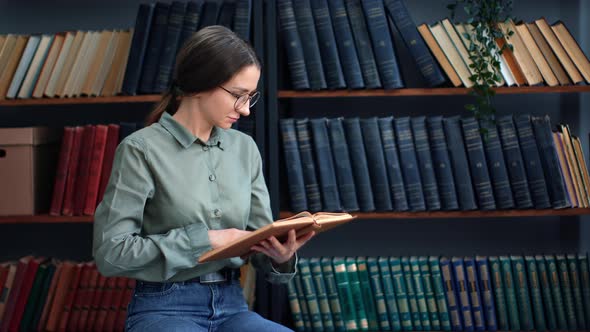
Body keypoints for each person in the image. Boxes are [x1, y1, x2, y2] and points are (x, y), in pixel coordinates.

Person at [93, 25, 314, 332]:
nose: (246, 110)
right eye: (238, 96)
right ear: (199, 84)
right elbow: (111, 254)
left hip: (232, 305)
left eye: (251, 97)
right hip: (163, 308)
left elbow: (259, 243)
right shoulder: (140, 149)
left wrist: (280, 256)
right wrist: (206, 240)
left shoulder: (244, 149)